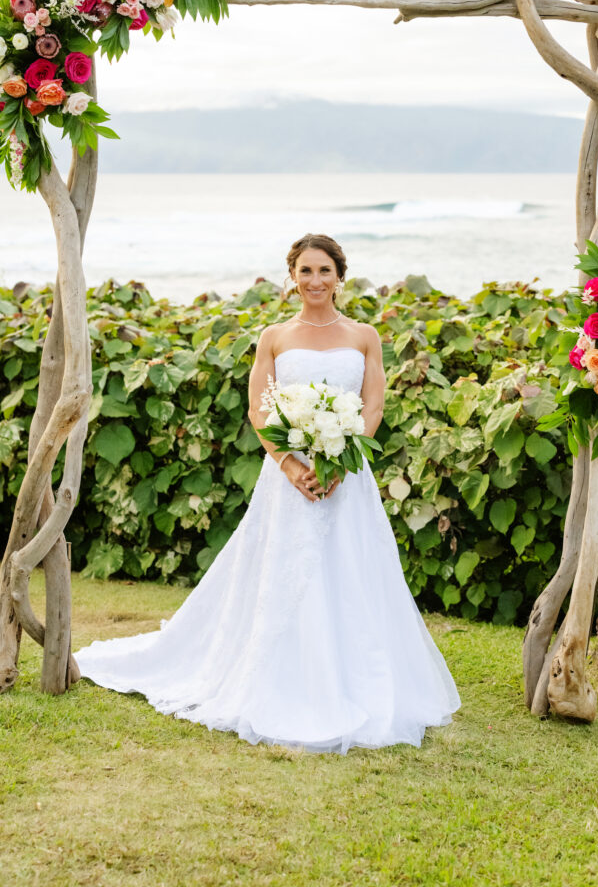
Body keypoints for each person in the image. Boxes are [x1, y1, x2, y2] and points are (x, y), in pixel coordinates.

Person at [74, 234, 461, 753]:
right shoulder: (274, 336)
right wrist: (290, 464)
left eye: (324, 270)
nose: (315, 281)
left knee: (352, 570)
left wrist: (342, 460)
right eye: (305, 271)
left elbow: (371, 407)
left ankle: (357, 678)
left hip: (347, 479)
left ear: (339, 276)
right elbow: (260, 410)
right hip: (287, 481)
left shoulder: (364, 334)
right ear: (292, 276)